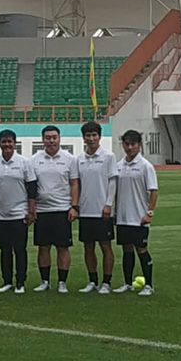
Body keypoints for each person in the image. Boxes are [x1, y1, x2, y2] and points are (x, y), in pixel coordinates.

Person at [0, 129, 37, 294]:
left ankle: (20, 282)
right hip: (1, 214)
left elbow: (32, 188)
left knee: (20, 249)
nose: (7, 144)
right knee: (4, 249)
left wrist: (31, 210)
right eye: (4, 141)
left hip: (19, 213)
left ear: (15, 143)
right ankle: (7, 281)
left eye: (10, 141)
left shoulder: (24, 162)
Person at [31, 125, 79, 293]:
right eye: (47, 137)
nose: (51, 140)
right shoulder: (35, 159)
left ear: (59, 139)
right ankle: (45, 281)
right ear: (42, 139)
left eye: (54, 137)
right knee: (43, 247)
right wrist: (32, 207)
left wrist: (74, 207)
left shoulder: (69, 159)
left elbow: (74, 184)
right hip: (42, 211)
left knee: (62, 247)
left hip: (62, 209)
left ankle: (62, 282)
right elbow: (30, 185)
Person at [113, 130, 158, 297]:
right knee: (126, 250)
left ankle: (149, 285)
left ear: (139, 145)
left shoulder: (146, 166)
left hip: (139, 217)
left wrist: (149, 213)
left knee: (142, 249)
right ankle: (127, 283)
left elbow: (153, 191)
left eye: (133, 144)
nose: (130, 147)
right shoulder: (119, 166)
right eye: (127, 144)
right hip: (123, 216)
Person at [75, 121, 118, 295]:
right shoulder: (79, 159)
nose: (91, 139)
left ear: (99, 137)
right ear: (83, 138)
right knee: (88, 247)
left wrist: (109, 204)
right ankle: (92, 280)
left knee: (105, 246)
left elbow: (113, 181)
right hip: (85, 210)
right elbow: (76, 184)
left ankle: (106, 282)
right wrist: (76, 206)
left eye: (94, 135)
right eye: (88, 135)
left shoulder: (108, 156)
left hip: (102, 211)